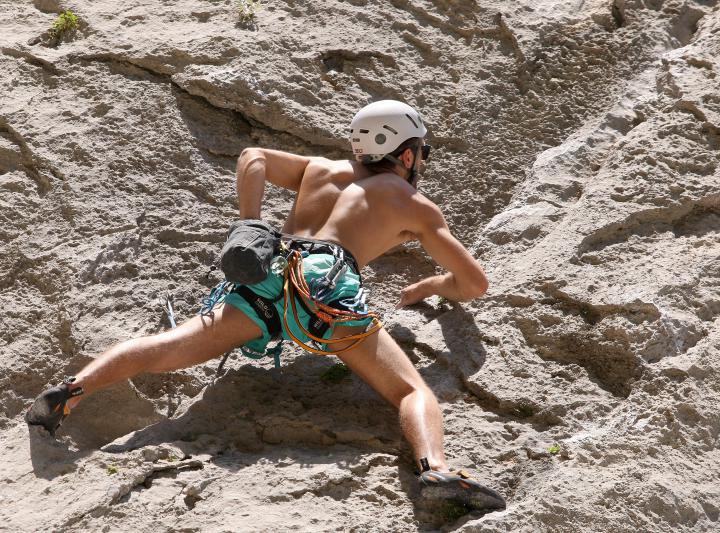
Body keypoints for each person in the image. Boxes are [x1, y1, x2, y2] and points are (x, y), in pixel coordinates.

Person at [25, 100, 506, 511]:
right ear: (405, 152)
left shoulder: (319, 170)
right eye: (420, 152)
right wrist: (435, 285)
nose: (420, 161)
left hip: (271, 270)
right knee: (409, 391)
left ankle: (68, 393)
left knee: (165, 348)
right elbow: (474, 283)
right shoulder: (410, 202)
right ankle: (435, 472)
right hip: (326, 287)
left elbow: (253, 156)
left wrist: (249, 226)